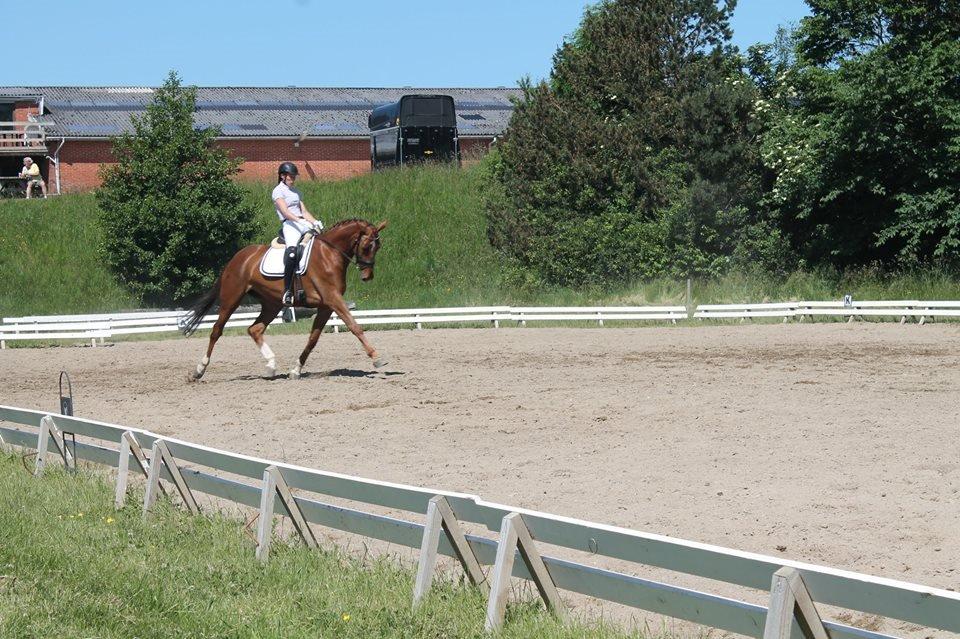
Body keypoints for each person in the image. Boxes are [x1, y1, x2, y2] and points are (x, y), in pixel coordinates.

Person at [272, 162, 323, 305]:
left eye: (294, 176)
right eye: (291, 176)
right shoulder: (278, 191)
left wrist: (315, 222)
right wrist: (299, 221)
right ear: (283, 176)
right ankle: (287, 290)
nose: (293, 179)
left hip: (302, 222)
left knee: (321, 243)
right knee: (292, 252)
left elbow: (304, 212)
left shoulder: (296, 192)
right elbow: (285, 212)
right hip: (290, 224)